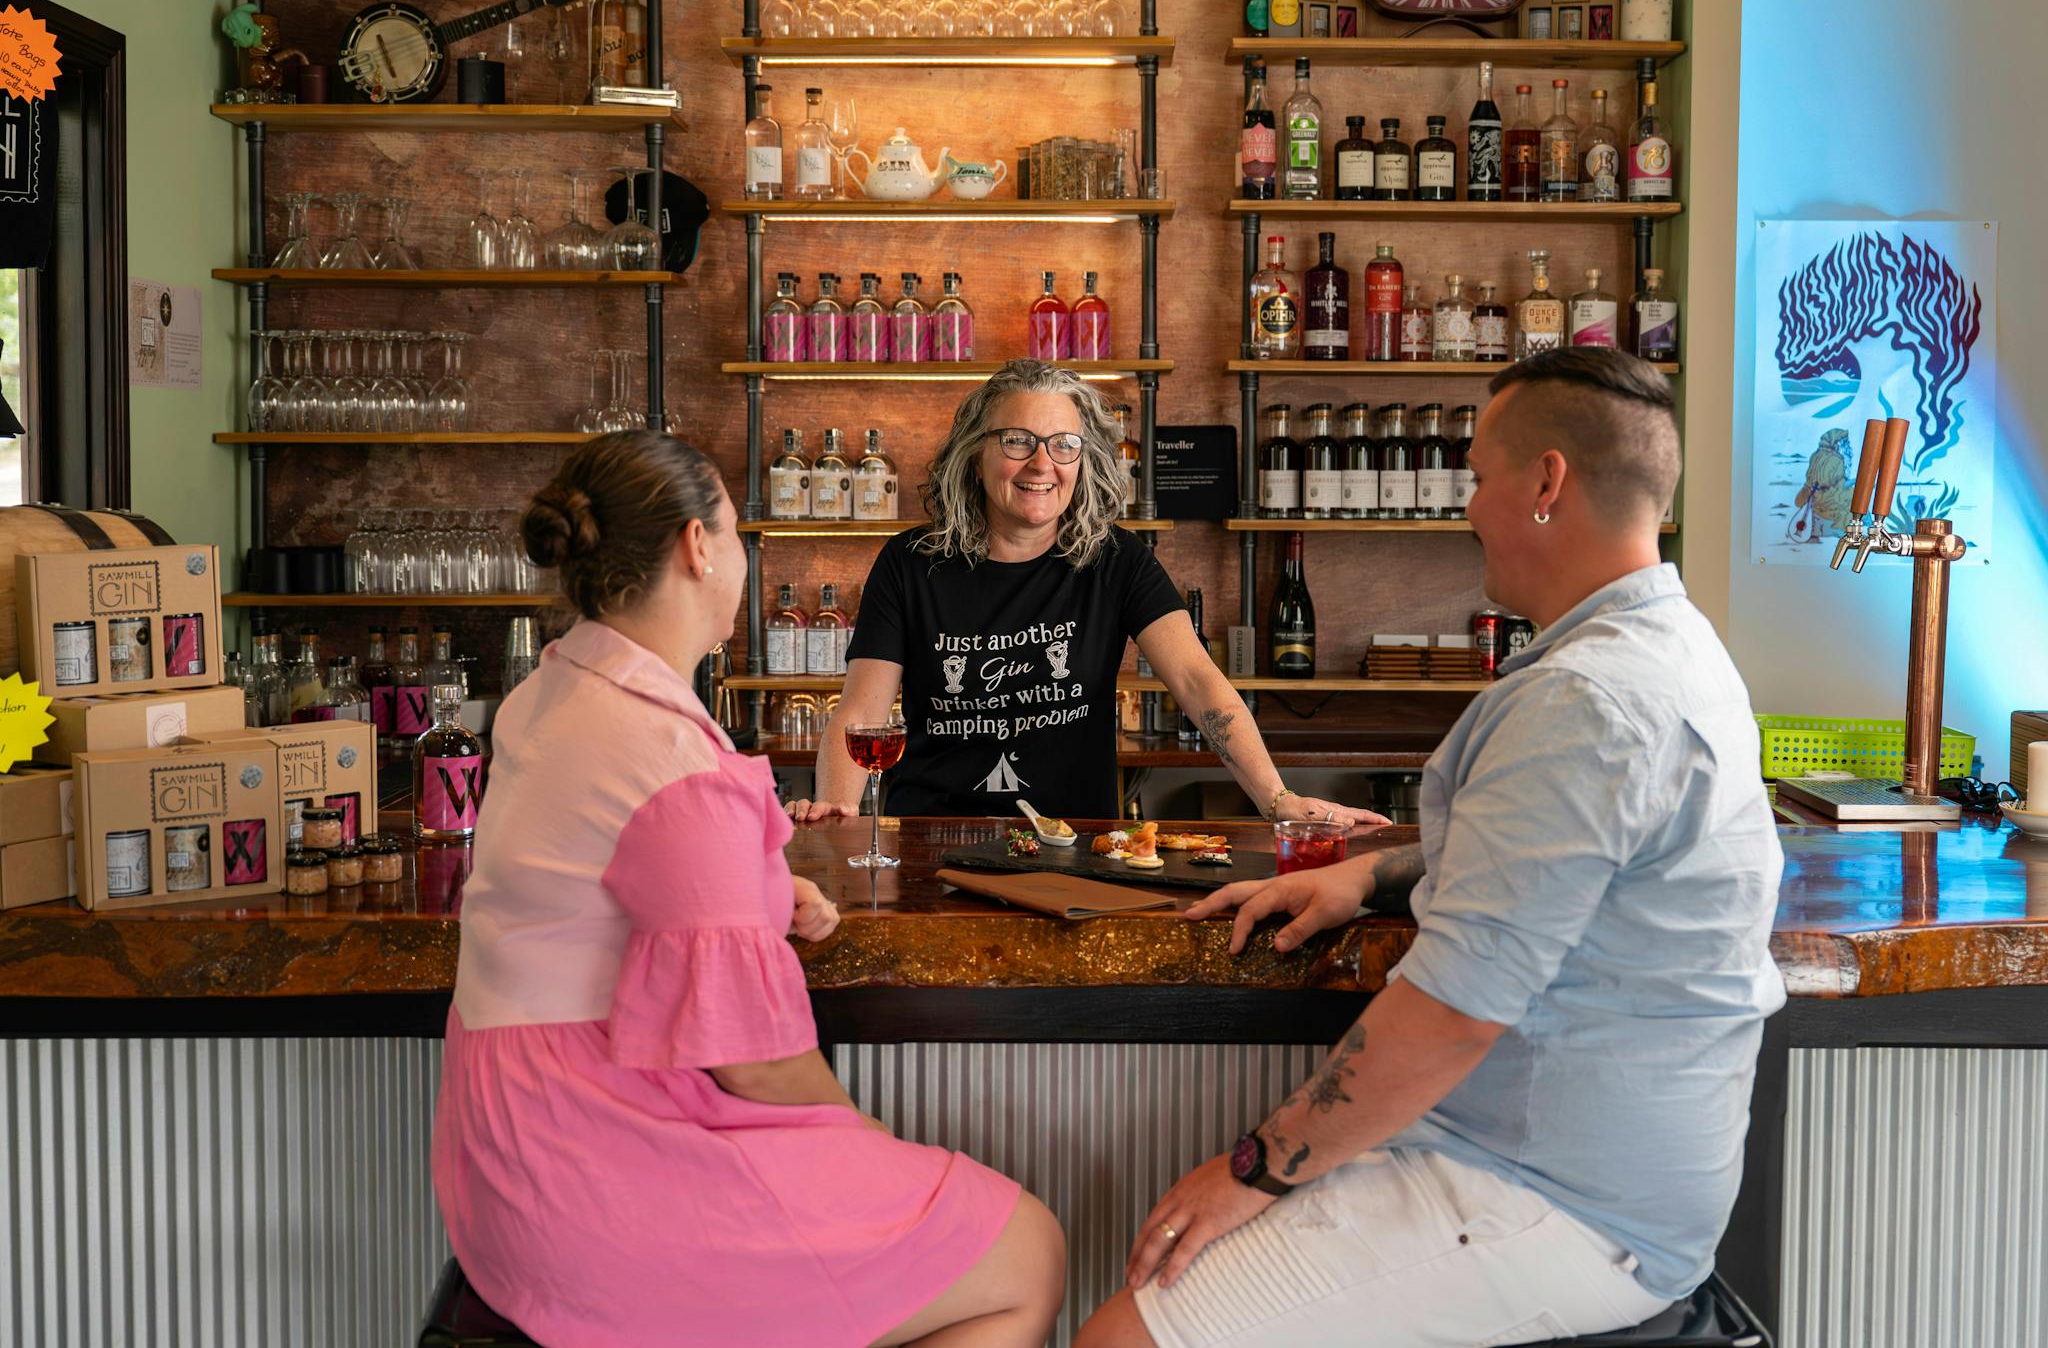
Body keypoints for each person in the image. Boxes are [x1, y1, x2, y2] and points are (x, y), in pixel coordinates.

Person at [1078, 349, 1787, 1348]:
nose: (1465, 506)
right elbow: (1566, 869)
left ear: (1544, 484)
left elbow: (1454, 1014)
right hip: (1603, 1178)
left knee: (1120, 1339)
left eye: (1476, 477)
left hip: (1560, 1199)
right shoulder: (1666, 647)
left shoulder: (1584, 700)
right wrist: (1369, 872)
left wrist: (1255, 1169)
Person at [432, 431, 1065, 1348]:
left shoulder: (549, 690)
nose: (736, 554)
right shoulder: (672, 757)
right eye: (733, 532)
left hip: (500, 1150)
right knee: (1027, 1251)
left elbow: (598, 885)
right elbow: (757, 1061)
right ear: (697, 547)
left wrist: (759, 896)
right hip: (601, 1163)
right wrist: (868, 1143)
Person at [788, 359, 1382, 828]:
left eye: (1063, 444)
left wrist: (1277, 799)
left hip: (1076, 841)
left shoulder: (1115, 559)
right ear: (975, 455)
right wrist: (839, 813)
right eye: (1017, 440)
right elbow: (862, 712)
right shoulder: (910, 563)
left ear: (1085, 460)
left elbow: (1201, 685)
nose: (1042, 463)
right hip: (934, 837)